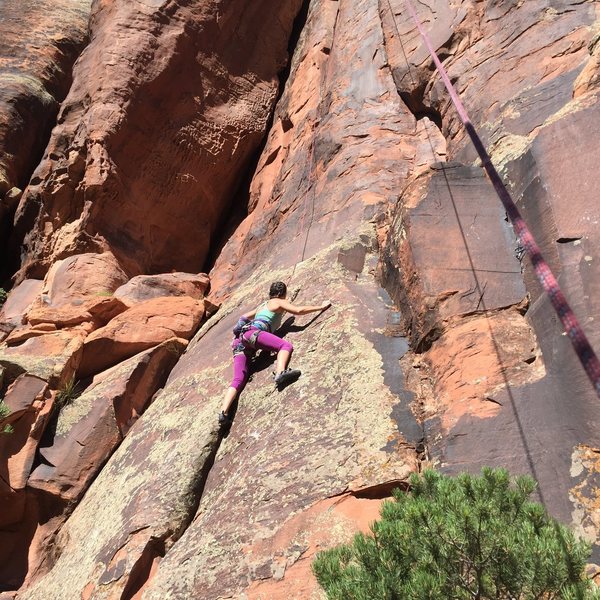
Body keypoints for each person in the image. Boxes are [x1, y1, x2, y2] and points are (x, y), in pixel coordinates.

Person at [219, 281, 331, 425]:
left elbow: (243, 318)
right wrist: (321, 307)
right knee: (285, 346)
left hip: (242, 341)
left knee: (238, 379)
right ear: (280, 294)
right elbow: (298, 310)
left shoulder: (262, 306)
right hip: (254, 334)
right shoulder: (278, 301)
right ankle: (280, 373)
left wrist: (237, 333)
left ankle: (223, 413)